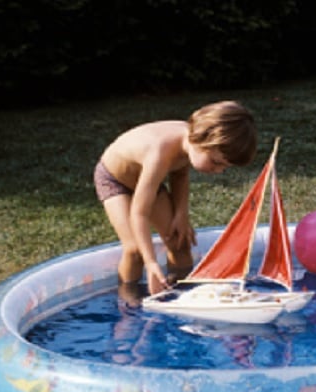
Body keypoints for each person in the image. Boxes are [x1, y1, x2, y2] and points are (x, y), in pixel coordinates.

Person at [94, 100, 257, 296]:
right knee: (135, 250)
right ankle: (129, 300)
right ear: (200, 141)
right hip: (114, 181)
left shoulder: (190, 142)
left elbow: (179, 174)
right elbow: (140, 213)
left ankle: (182, 291)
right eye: (215, 162)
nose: (218, 171)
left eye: (225, 167)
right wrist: (151, 263)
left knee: (180, 241)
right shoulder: (160, 152)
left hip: (147, 181)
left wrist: (181, 214)